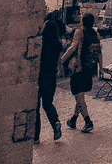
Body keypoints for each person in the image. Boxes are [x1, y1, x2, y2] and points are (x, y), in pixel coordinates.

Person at [60, 12, 101, 133]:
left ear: (82, 21)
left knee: (78, 94)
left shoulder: (79, 32)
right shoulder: (96, 34)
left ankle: (88, 121)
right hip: (89, 68)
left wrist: (62, 59)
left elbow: (73, 47)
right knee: (80, 95)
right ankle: (73, 119)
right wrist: (101, 68)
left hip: (78, 67)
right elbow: (99, 52)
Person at [34, 11, 65, 144]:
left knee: (35, 106)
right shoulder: (57, 45)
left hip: (39, 75)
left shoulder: (41, 46)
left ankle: (35, 137)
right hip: (51, 76)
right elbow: (59, 62)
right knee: (47, 103)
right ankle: (55, 122)